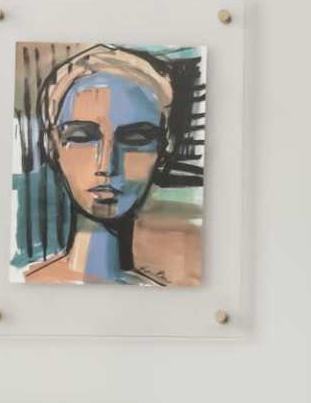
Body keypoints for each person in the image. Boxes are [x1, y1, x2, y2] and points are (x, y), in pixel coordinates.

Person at [21, 47, 195, 286]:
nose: (106, 164)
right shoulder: (26, 284)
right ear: (52, 147)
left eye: (135, 140)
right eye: (82, 137)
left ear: (163, 150)